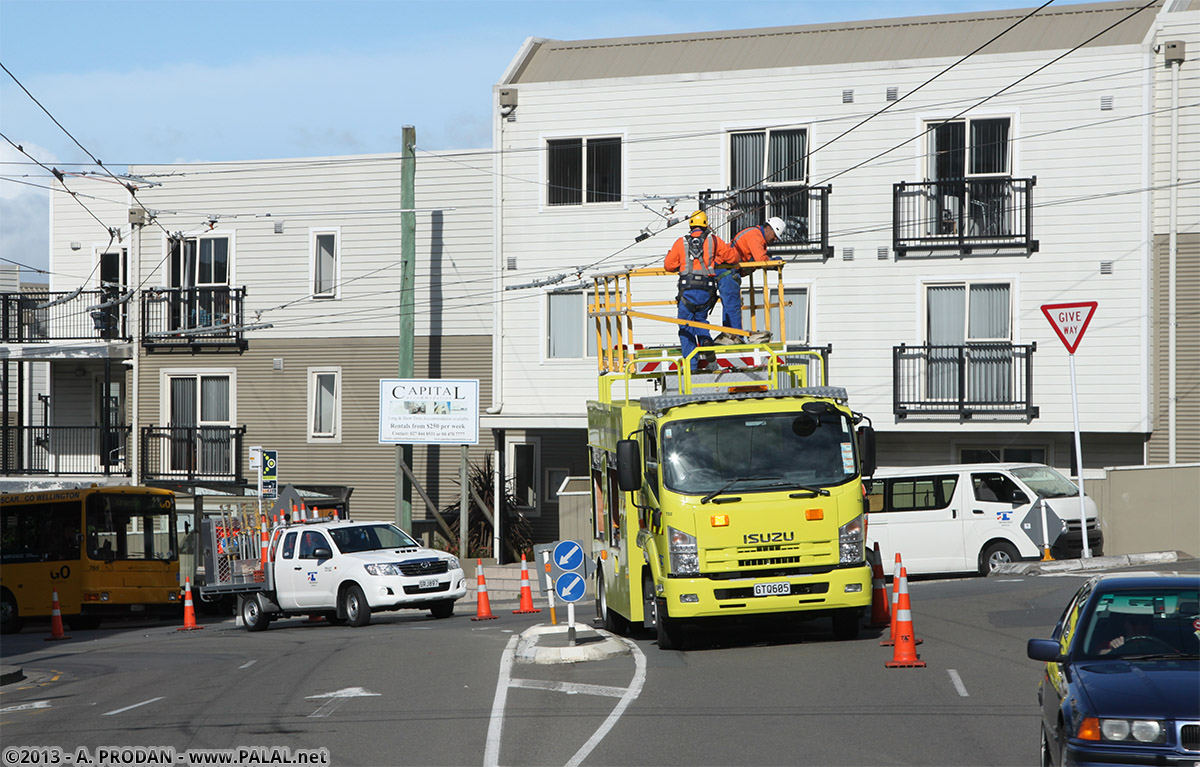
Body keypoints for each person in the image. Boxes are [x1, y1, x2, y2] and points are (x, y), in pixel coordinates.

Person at [664, 211, 737, 369]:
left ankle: (691, 365)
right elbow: (732, 258)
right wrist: (715, 260)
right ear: (705, 224)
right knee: (701, 321)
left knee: (685, 327)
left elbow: (669, 266)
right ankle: (705, 342)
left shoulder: (681, 242)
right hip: (706, 291)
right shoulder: (714, 241)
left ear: (691, 224)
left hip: (687, 291)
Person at [718, 216, 786, 334]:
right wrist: (773, 263)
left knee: (731, 305)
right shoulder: (756, 236)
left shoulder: (757, 236)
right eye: (775, 235)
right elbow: (761, 259)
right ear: (769, 229)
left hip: (728, 271)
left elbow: (753, 262)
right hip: (727, 270)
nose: (775, 239)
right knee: (732, 305)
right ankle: (734, 336)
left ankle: (730, 335)